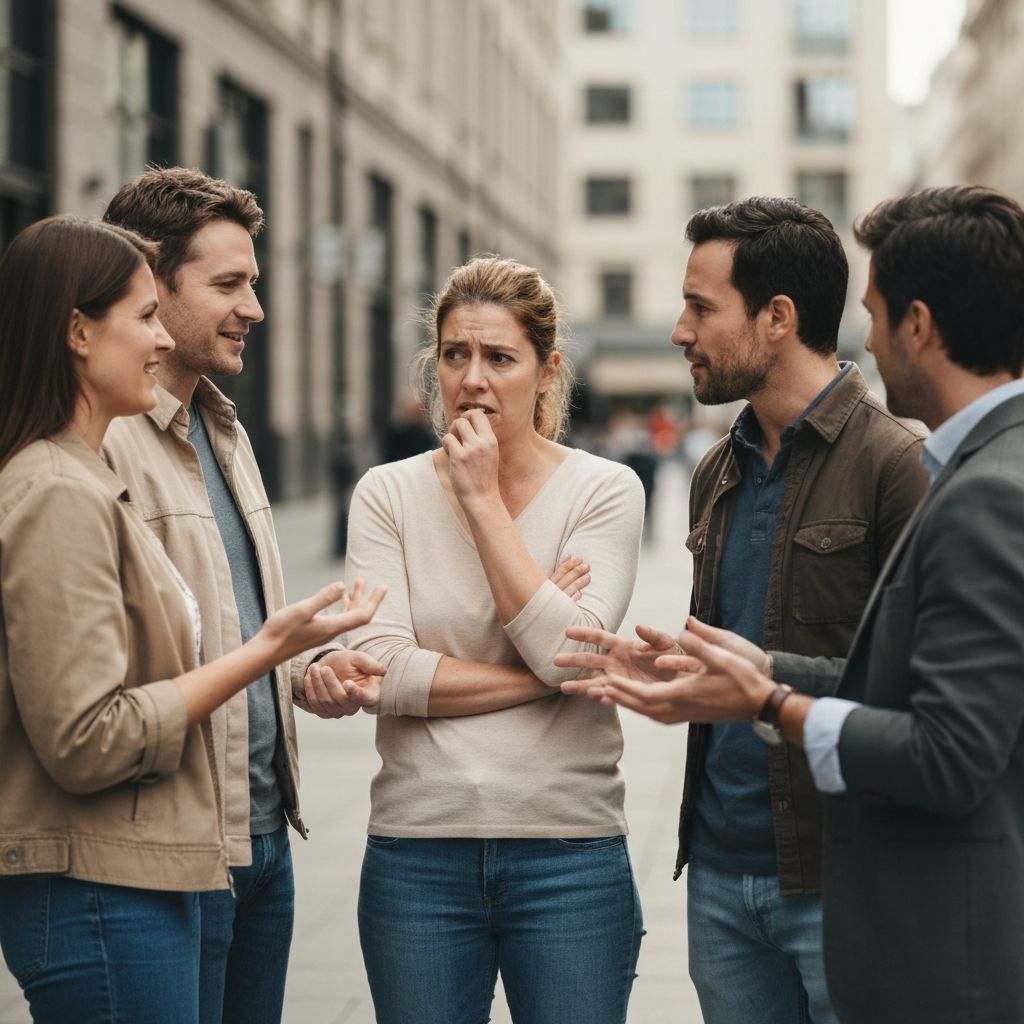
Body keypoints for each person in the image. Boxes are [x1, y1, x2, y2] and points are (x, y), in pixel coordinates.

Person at [565, 185, 1024, 1024]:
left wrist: (770, 698)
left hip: (839, 875)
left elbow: (938, 714)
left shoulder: (911, 468)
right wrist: (714, 668)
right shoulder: (718, 469)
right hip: (717, 870)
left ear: (775, 318)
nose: (679, 331)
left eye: (700, 307)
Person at [0, 215, 383, 1024]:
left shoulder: (205, 433)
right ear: (76, 331)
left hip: (176, 861)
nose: (159, 341)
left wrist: (291, 664)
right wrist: (267, 649)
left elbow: (175, 638)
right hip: (112, 879)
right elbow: (86, 735)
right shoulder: (63, 486)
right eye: (143, 318)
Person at [307, 255, 646, 1024]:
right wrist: (545, 669)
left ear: (547, 369)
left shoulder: (603, 488)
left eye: (499, 358)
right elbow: (382, 671)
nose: (473, 379)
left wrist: (483, 502)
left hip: (569, 852)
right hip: (418, 852)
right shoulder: (388, 493)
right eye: (456, 355)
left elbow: (569, 651)